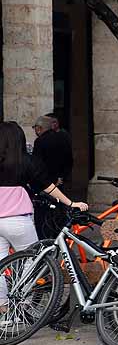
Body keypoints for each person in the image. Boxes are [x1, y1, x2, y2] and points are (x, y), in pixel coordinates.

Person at [0, 122, 87, 316]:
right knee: (35, 260)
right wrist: (70, 202)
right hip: (18, 220)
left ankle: (2, 305)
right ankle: (23, 302)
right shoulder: (25, 161)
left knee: (0, 264)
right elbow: (48, 187)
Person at [31, 114, 73, 188]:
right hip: (60, 180)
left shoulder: (40, 141)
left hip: (46, 181)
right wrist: (62, 177)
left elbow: (37, 162)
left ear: (39, 128)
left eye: (35, 127)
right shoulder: (63, 138)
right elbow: (69, 159)